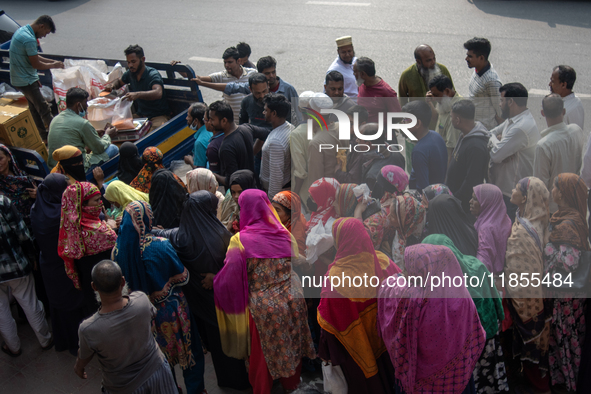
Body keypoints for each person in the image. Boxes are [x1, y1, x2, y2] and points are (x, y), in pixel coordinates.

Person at [214, 189, 315, 394]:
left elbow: (230, 278)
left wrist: (214, 280)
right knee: (291, 350)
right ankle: (294, 389)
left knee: (262, 361)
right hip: (293, 299)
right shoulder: (283, 233)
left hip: (264, 309)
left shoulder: (240, 240)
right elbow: (294, 259)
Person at [154, 191, 250, 390]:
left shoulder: (179, 238)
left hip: (196, 302)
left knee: (213, 341)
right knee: (227, 340)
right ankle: (237, 380)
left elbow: (163, 235)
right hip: (222, 297)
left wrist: (155, 230)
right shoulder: (221, 235)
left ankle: (226, 380)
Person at [113, 201, 206, 393]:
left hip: (142, 316)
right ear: (145, 220)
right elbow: (183, 277)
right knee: (190, 354)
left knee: (161, 361)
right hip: (170, 311)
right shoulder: (160, 246)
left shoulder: (117, 251)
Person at [377, 244, 485, 394]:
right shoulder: (462, 296)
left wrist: (397, 277)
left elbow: (388, 288)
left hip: (420, 384)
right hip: (457, 375)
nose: (406, 274)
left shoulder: (413, 301)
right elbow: (476, 334)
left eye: (409, 269)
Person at [318, 217, 399, 393]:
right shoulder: (384, 262)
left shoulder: (334, 279)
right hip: (390, 343)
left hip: (359, 353)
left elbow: (329, 326)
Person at [74, 260, 178, 393]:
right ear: (122, 281)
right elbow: (151, 322)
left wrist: (79, 367)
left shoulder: (89, 328)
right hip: (157, 371)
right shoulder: (141, 300)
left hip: (123, 386)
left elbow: (83, 356)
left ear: (94, 286)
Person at [422, 234, 508, 393]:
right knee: (492, 368)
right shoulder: (475, 264)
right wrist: (500, 317)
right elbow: (494, 294)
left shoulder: (443, 284)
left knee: (479, 376)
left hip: (472, 342)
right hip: (490, 330)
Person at [504, 177, 551, 393]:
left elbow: (520, 272)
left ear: (525, 198)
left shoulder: (523, 231)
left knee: (530, 341)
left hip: (527, 298)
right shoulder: (539, 220)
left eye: (516, 188)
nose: (512, 190)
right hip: (540, 294)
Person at [30, 174, 85, 356]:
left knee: (60, 306)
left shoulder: (36, 210)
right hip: (65, 265)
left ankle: (65, 341)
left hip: (48, 264)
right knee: (73, 305)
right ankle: (79, 343)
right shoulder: (62, 214)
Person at [544, 174, 588, 392]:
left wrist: (547, 250)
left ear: (563, 194)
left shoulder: (567, 225)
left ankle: (570, 382)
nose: (552, 190)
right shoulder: (572, 217)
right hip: (574, 293)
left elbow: (569, 261)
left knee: (567, 340)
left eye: (555, 187)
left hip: (566, 295)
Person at [0, 194, 53, 357]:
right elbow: (22, 233)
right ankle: (45, 340)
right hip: (15, 266)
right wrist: (31, 256)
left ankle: (13, 347)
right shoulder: (2, 202)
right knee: (30, 303)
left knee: (1, 311)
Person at [58, 182, 117, 316]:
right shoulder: (99, 231)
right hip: (108, 285)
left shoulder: (70, 229)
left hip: (88, 286)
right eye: (96, 200)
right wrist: (111, 227)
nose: (100, 203)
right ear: (82, 204)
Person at [489, 83, 540, 222]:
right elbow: (490, 134)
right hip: (505, 190)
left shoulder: (520, 127)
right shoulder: (513, 120)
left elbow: (495, 155)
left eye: (501, 100)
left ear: (510, 101)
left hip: (511, 195)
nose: (499, 104)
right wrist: (499, 142)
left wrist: (498, 144)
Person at [9, 15, 63, 141]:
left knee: (34, 109)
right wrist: (54, 65)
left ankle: (43, 137)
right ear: (42, 26)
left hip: (21, 77)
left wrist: (52, 62)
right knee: (44, 109)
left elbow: (35, 56)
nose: (44, 36)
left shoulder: (22, 31)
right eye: (46, 32)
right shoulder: (29, 39)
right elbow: (36, 64)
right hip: (25, 80)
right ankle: (57, 138)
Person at [534, 94, 584, 213]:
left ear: (542, 113)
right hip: (574, 201)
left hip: (554, 208)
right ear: (564, 111)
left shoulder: (543, 145)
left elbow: (540, 186)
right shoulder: (577, 130)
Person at [47, 87, 118, 170]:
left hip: (55, 168)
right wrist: (107, 135)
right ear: (78, 105)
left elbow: (72, 136)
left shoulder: (55, 119)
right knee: (113, 148)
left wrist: (93, 133)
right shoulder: (83, 123)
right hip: (76, 170)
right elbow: (99, 148)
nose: (87, 105)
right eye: (85, 102)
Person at [103, 45, 170, 131]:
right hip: (140, 115)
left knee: (152, 134)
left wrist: (137, 94)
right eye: (128, 62)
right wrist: (111, 86)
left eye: (133, 62)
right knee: (116, 127)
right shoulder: (130, 73)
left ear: (143, 59)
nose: (130, 65)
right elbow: (119, 82)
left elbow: (158, 92)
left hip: (158, 115)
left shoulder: (152, 74)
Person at [209, 101, 268, 187]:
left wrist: (213, 175)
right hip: (254, 185)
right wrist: (252, 152)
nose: (210, 123)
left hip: (242, 195)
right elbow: (265, 134)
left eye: (212, 119)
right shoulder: (247, 128)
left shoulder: (226, 147)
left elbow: (232, 181)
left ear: (224, 120)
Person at [224, 56, 300, 124]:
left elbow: (299, 115)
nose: (271, 76)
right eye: (267, 73)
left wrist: (305, 136)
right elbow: (234, 87)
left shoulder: (289, 90)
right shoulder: (250, 95)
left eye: (273, 72)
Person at [445, 99, 490, 213]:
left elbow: (472, 180)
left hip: (462, 205)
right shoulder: (465, 135)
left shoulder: (475, 147)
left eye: (451, 117)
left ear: (458, 120)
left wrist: (455, 199)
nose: (451, 120)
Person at [192, 47, 256, 123]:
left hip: (251, 123)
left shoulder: (252, 73)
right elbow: (197, 78)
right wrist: (179, 68)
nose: (227, 65)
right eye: (225, 62)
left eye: (230, 62)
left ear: (238, 61)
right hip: (234, 125)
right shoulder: (222, 76)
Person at [335, 121, 405, 187]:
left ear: (368, 144)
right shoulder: (394, 150)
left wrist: (338, 172)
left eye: (359, 139)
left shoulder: (372, 175)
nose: (356, 141)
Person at [402, 100, 447, 190]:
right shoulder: (436, 135)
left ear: (418, 123)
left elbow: (423, 188)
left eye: (406, 120)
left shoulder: (419, 151)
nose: (402, 123)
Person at [470, 184, 512, 275]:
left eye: (475, 199)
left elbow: (483, 260)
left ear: (487, 202)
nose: (470, 201)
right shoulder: (503, 219)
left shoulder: (486, 229)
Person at [464, 37, 503, 130]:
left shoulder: (492, 81)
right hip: (474, 127)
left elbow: (500, 109)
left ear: (481, 58)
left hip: (486, 131)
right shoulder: (477, 70)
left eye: (470, 56)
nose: (466, 59)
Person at [261, 93, 293, 198]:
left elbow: (276, 178)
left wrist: (272, 204)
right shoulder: (289, 127)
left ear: (274, 113)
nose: (263, 112)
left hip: (275, 191)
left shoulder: (276, 142)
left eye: (266, 110)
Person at [354, 57, 402, 124]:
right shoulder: (361, 85)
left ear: (362, 74)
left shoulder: (387, 91)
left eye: (355, 72)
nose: (353, 74)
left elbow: (398, 117)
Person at [0, 144, 37, 228]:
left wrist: (37, 194)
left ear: (9, 158)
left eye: (0, 159)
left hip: (34, 219)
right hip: (15, 226)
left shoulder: (22, 177)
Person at [427, 74, 463, 161]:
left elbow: (452, 149)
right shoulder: (444, 101)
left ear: (447, 91)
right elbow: (437, 119)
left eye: (436, 95)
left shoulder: (458, 110)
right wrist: (429, 103)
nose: (434, 98)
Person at [388, 193, 426, 270]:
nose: (388, 216)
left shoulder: (409, 247)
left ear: (404, 220)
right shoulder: (402, 229)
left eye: (392, 216)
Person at [273, 191, 308, 257]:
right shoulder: (294, 218)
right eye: (272, 208)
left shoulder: (296, 237)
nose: (272, 212)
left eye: (277, 210)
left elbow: (298, 261)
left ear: (290, 214)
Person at [549, 65, 584, 129]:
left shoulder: (563, 111)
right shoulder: (577, 101)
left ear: (563, 85)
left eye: (553, 81)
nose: (550, 84)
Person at [183, 102, 212, 169]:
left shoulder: (199, 142)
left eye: (188, 116)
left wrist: (190, 160)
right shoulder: (213, 130)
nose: (186, 118)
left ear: (196, 120)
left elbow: (200, 171)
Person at [204, 107, 225, 175]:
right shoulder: (230, 134)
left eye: (205, 120)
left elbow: (215, 176)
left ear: (211, 122)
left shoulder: (212, 147)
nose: (205, 123)